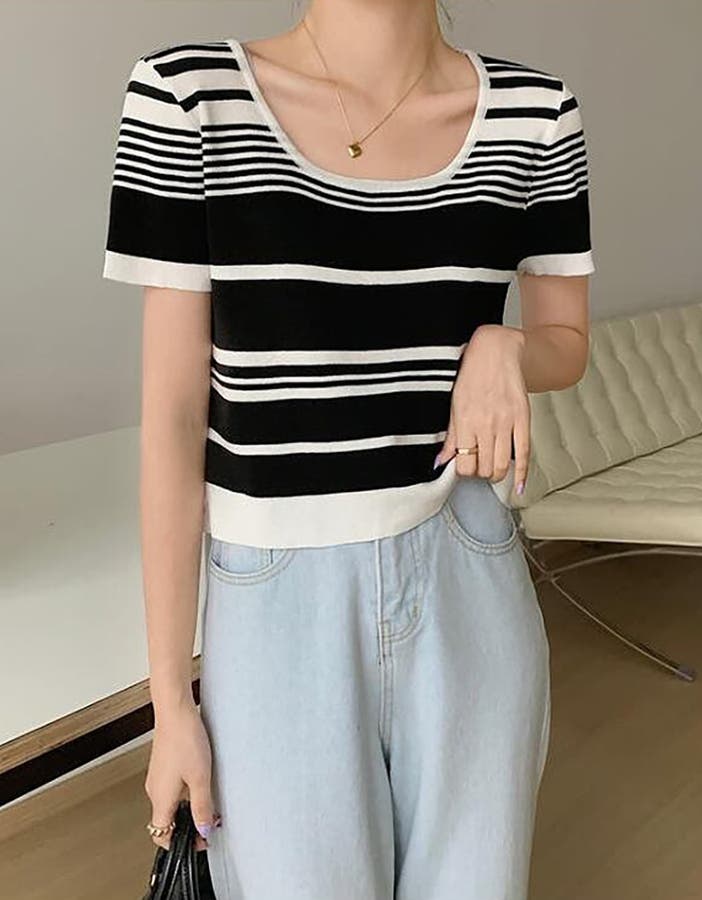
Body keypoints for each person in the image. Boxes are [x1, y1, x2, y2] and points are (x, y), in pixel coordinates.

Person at [102, 1, 594, 896]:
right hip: (273, 599)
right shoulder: (189, 97)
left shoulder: (536, 112)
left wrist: (507, 346)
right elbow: (173, 420)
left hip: (468, 568)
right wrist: (171, 701)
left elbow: (567, 341)